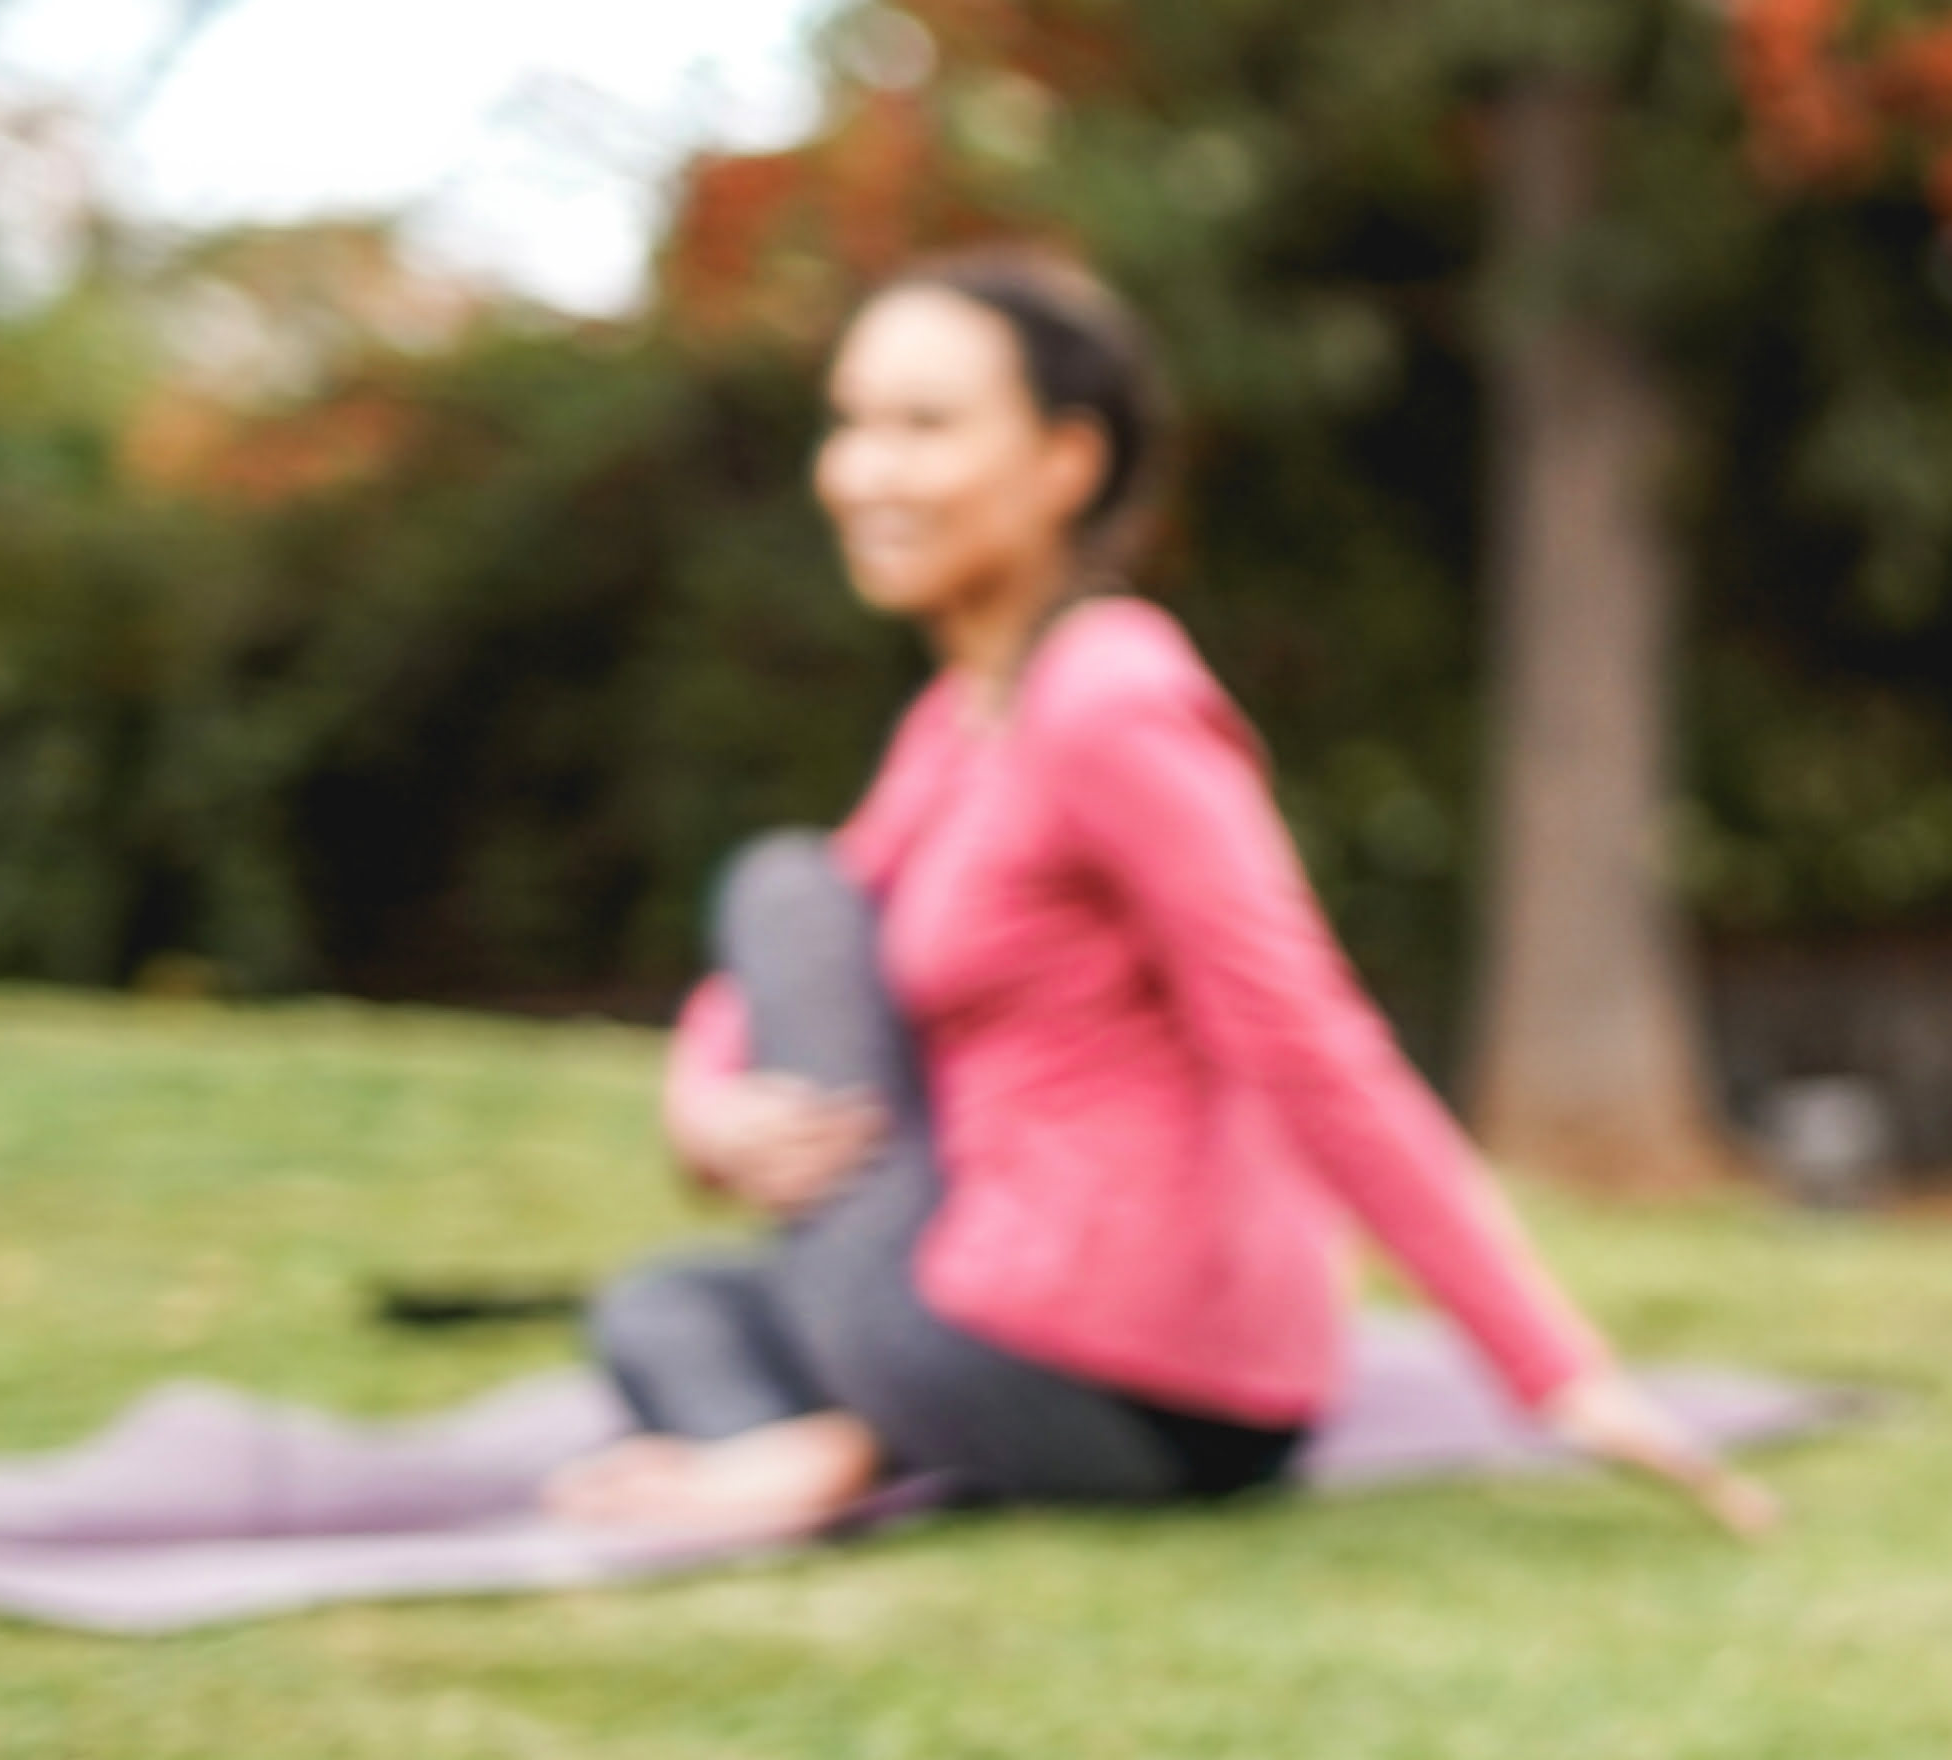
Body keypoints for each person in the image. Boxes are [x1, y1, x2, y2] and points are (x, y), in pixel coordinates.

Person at [543, 249, 1776, 1540]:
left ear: (1067, 461)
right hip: (1046, 1349)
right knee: (661, 1307)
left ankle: (827, 1443)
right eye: (851, 424)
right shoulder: (963, 724)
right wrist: (705, 1112)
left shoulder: (1108, 699)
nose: (863, 471)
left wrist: (1557, 1370)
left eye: (924, 425)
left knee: (780, 882)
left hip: (1091, 1362)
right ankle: (831, 1441)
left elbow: (1307, 1038)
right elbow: (790, 963)